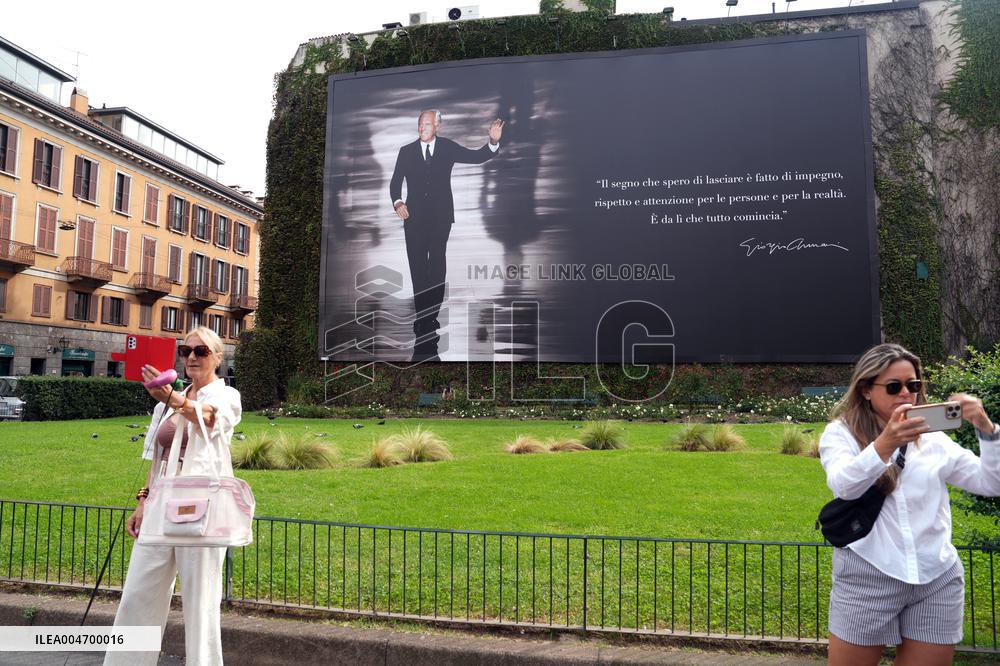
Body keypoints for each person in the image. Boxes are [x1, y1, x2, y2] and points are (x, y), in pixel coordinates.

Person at [819, 343, 1000, 665]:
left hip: (936, 576)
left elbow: (990, 483)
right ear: (866, 390)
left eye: (913, 385)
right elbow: (845, 486)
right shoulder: (841, 433)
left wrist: (986, 430)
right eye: (894, 386)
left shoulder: (934, 440)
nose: (906, 394)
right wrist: (886, 444)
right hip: (869, 572)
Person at [104, 326, 242, 666]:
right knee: (138, 592)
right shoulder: (164, 405)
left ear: (218, 358)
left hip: (202, 505)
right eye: (186, 351)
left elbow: (208, 419)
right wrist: (141, 502)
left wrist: (172, 399)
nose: (192, 357)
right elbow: (155, 457)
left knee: (200, 602)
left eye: (202, 351)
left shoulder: (224, 396)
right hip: (159, 506)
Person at [389, 109, 504, 357]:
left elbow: (477, 157)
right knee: (418, 269)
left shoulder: (447, 147)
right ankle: (424, 319)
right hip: (414, 220)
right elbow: (395, 182)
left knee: (437, 266)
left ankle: (430, 318)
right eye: (420, 124)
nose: (422, 128)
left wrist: (493, 142)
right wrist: (398, 202)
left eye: (428, 124)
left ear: (437, 126)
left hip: (441, 218)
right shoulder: (406, 151)